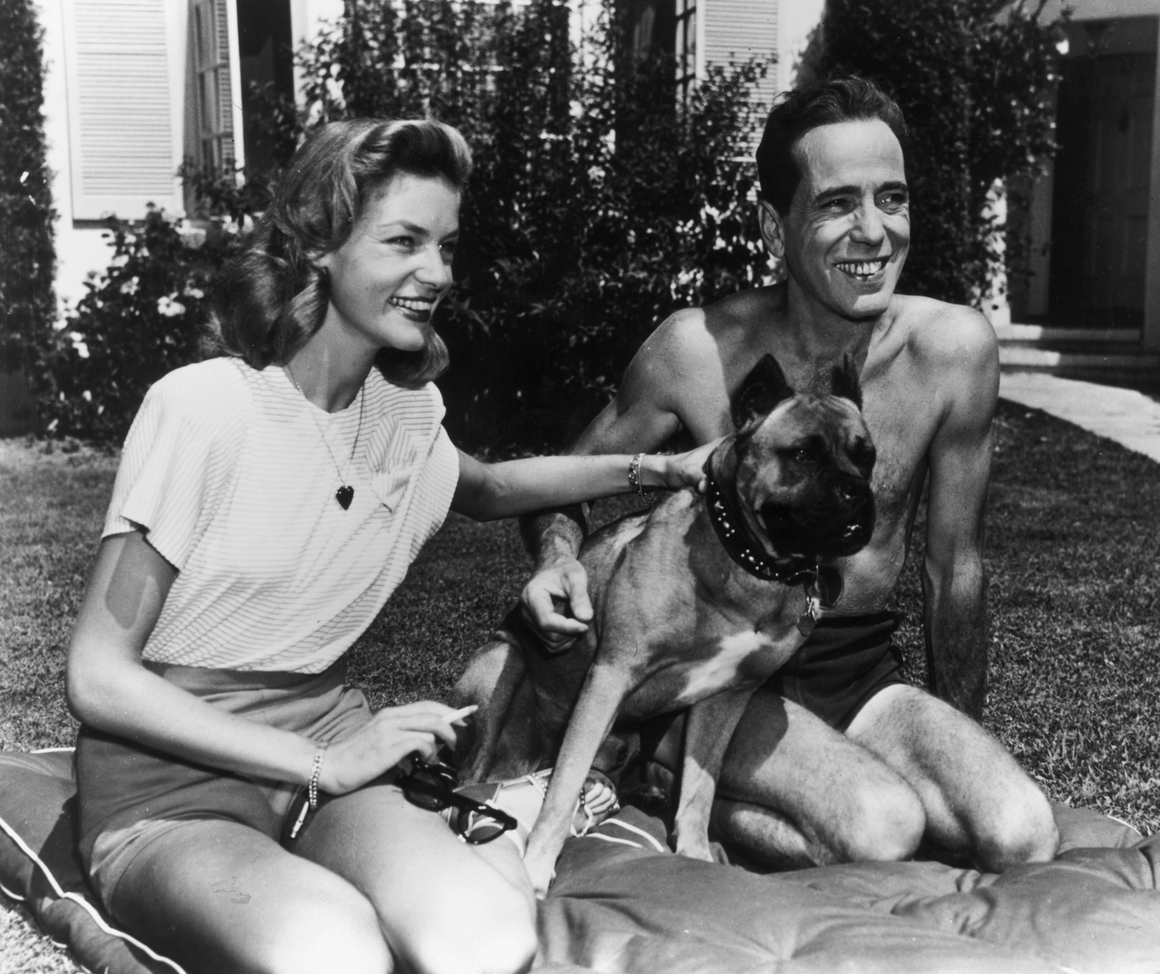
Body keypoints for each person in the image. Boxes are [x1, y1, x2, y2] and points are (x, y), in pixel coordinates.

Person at [65, 118, 711, 974]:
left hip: (326, 749)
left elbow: (491, 488)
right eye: (404, 241)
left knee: (489, 943)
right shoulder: (203, 407)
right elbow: (98, 677)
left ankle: (472, 836)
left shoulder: (405, 414)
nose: (437, 273)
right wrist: (324, 763)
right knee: (333, 953)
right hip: (169, 786)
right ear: (319, 245)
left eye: (446, 245)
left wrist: (656, 467)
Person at [518, 77, 1059, 874]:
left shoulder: (951, 351)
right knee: (880, 830)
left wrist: (956, 737)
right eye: (838, 204)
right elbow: (564, 479)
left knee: (1019, 832)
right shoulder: (697, 350)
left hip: (857, 668)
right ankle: (660, 769)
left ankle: (775, 785)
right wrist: (557, 559)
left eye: (892, 198)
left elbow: (955, 569)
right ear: (776, 226)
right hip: (712, 673)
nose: (873, 231)